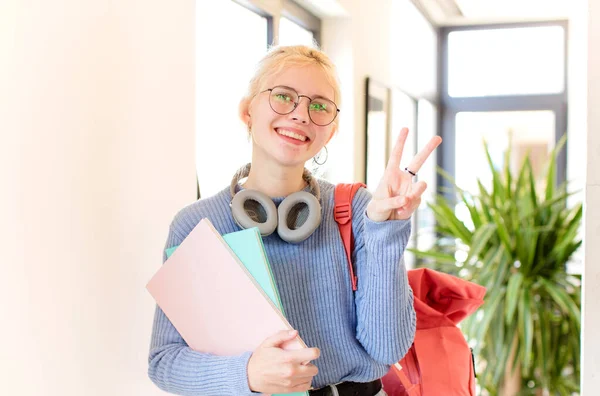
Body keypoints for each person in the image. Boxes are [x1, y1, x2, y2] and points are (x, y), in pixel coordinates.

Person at [147, 44, 442, 396]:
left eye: (319, 106)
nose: (301, 114)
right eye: (284, 97)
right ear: (247, 112)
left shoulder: (361, 211)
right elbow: (164, 362)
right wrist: (246, 374)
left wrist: (384, 230)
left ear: (329, 132)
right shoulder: (197, 224)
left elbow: (387, 348)